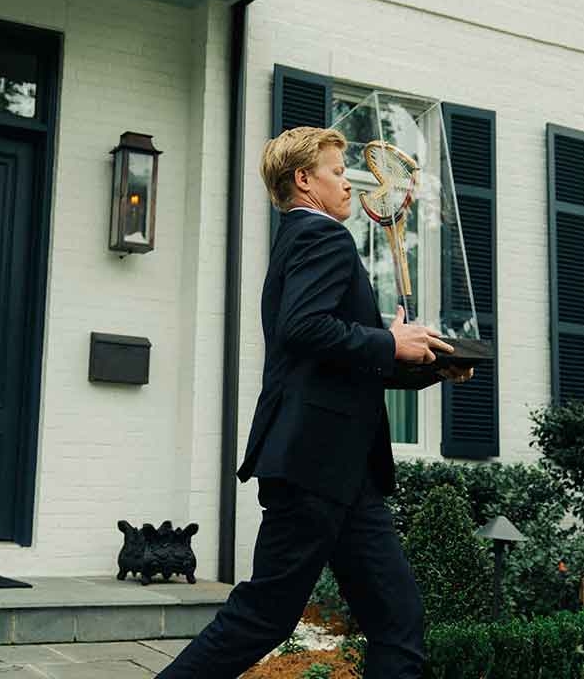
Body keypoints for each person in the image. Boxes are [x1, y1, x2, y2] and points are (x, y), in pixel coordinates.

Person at [156, 126, 474, 678]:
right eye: (335, 172)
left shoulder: (300, 239)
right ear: (304, 180)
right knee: (266, 616)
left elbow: (332, 366)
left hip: (344, 472)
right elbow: (303, 329)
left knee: (397, 620)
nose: (348, 185)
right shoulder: (319, 236)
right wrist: (387, 340)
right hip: (314, 464)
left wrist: (429, 364)